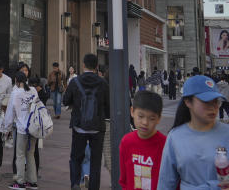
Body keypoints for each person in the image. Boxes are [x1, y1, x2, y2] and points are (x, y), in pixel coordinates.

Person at [158, 75, 229, 190]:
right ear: (188, 102)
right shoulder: (175, 137)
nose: (213, 107)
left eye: (216, 102)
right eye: (206, 102)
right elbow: (165, 183)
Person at [63, 53, 109, 190]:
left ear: (83, 65)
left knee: (76, 157)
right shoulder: (103, 83)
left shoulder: (75, 82)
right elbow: (108, 104)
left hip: (79, 126)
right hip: (97, 127)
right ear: (96, 66)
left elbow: (65, 101)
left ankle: (75, 184)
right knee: (95, 162)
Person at [118, 91, 166, 190]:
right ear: (132, 112)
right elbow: (124, 179)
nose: (145, 122)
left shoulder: (166, 145)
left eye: (151, 118)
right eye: (140, 116)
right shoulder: (126, 142)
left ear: (159, 118)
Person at [0, 71, 39, 189]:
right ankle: (32, 181)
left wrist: (6, 128)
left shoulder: (15, 92)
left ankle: (20, 182)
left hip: (22, 128)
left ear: (16, 81)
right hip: (34, 127)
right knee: (31, 154)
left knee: (20, 155)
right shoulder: (33, 90)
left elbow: (10, 113)